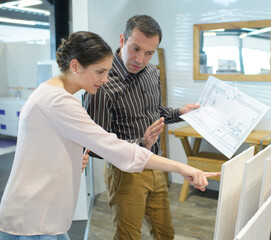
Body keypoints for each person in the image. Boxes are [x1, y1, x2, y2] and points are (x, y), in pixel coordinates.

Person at [0, 31, 219, 240]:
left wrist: (72, 156)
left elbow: (42, 151)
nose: (105, 79)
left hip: (40, 215)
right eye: (100, 72)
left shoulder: (50, 93)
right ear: (75, 66)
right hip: (33, 220)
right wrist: (182, 167)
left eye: (107, 71)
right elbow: (114, 148)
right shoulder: (59, 101)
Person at [83, 15, 200, 240]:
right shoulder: (101, 82)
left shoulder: (152, 72)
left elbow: (155, 112)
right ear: (122, 40)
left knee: (165, 233)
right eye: (135, 49)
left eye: (149, 53)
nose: (140, 59)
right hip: (126, 173)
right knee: (128, 236)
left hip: (156, 164)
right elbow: (96, 146)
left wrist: (180, 113)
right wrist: (141, 143)